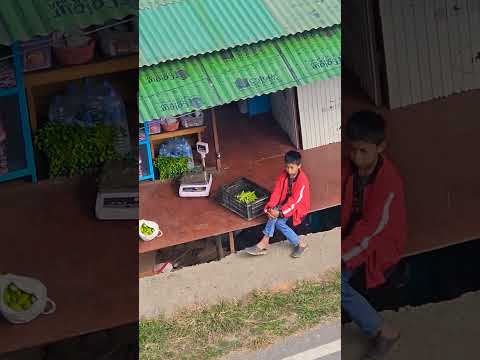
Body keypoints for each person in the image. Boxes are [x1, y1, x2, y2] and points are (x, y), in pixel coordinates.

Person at [342, 110, 407, 359]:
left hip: (377, 247)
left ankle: (384, 331)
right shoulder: (349, 167)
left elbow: (373, 232)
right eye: (353, 150)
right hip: (353, 237)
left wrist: (341, 257)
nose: (356, 157)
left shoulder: (388, 183)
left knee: (334, 283)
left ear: (381, 147)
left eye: (363, 151)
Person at [245, 150, 310, 258]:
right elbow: (277, 192)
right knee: (276, 218)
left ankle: (264, 242)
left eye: (292, 168)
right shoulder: (284, 175)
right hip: (284, 206)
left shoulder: (303, 181)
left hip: (298, 208)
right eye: (287, 167)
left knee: (277, 219)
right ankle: (300, 244)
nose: (289, 170)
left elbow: (295, 203)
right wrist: (270, 207)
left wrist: (279, 213)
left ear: (299, 166)